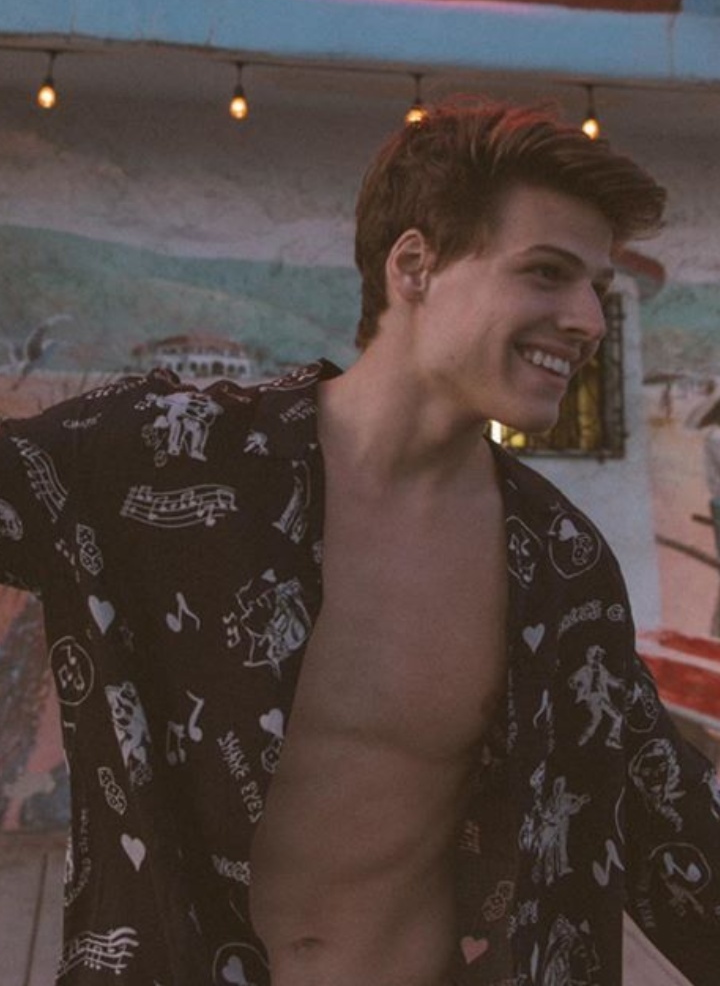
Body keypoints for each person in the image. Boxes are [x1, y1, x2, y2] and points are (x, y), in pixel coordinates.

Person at [1, 100, 719, 986]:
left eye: (596, 291)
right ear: (414, 266)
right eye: (546, 273)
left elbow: (669, 820)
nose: (588, 321)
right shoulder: (171, 458)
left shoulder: (557, 562)